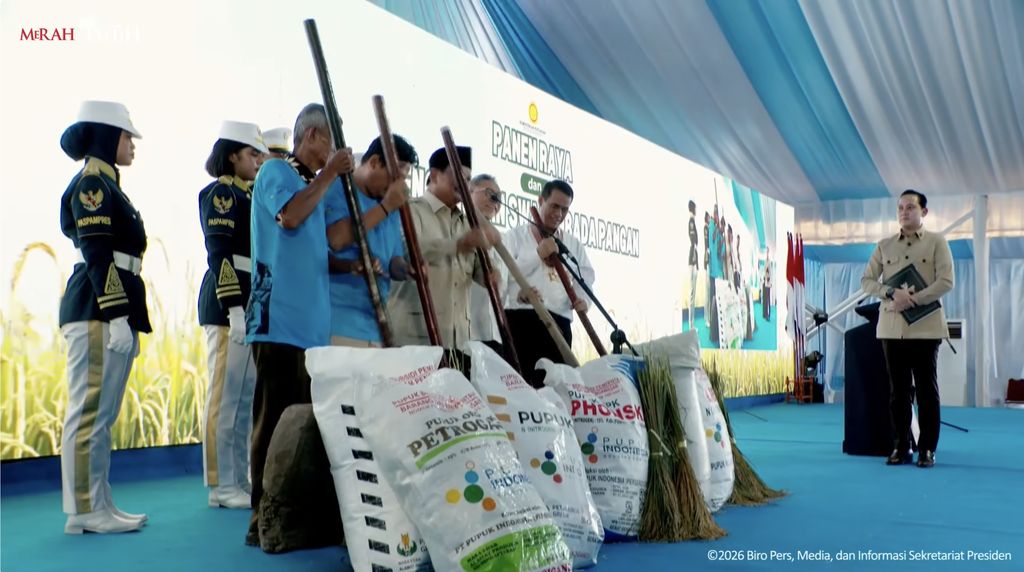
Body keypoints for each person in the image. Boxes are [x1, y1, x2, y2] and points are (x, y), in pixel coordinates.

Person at [245, 103, 354, 544]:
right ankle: (259, 515)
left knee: (302, 426)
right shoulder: (276, 172)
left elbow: (309, 248)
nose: (333, 150)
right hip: (278, 321)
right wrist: (330, 173)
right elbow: (288, 217)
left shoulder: (311, 185)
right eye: (329, 140)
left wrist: (349, 269)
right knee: (271, 421)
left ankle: (291, 510)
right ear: (311, 137)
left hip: (310, 330)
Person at [58, 101, 148, 534]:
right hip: (96, 306)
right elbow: (96, 252)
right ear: (107, 137)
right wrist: (116, 314)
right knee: (89, 410)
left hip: (108, 305)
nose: (132, 145)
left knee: (102, 415)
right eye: (127, 136)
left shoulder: (109, 185)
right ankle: (82, 509)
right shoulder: (92, 184)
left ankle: (99, 501)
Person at [197, 121, 268, 509]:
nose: (258, 161)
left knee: (243, 401)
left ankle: (238, 478)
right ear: (232, 156)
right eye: (252, 154)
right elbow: (220, 252)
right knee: (224, 399)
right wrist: (234, 307)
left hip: (249, 304)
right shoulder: (221, 195)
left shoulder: (249, 195)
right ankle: (220, 483)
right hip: (229, 306)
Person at [861, 189, 954, 469]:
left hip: (926, 328)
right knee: (898, 392)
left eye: (910, 207)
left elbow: (946, 281)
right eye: (900, 207)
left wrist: (913, 298)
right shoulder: (884, 245)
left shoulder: (937, 242)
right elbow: (867, 281)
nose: (904, 212)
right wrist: (891, 293)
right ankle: (902, 446)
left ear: (924, 212)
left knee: (927, 390)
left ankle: (927, 448)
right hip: (892, 329)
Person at [388, 146, 498, 349]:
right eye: (459, 176)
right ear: (435, 175)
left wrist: (490, 276)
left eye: (468, 179)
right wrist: (459, 244)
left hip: (457, 341)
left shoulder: (467, 222)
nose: (464, 184)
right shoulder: (410, 210)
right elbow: (406, 249)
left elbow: (476, 271)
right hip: (415, 339)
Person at [326, 135, 416, 347]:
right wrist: (385, 206)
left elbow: (392, 260)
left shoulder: (389, 203)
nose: (399, 186)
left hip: (377, 327)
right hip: (337, 325)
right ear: (374, 162)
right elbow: (336, 240)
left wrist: (406, 269)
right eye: (395, 178)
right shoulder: (336, 189)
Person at [504, 180, 594, 387]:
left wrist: (583, 300)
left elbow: (586, 276)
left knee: (558, 390)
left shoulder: (572, 244)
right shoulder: (516, 237)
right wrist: (538, 255)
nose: (559, 214)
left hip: (560, 323)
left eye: (565, 209)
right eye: (554, 206)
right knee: (524, 387)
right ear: (541, 200)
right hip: (522, 321)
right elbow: (506, 274)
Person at [468, 174, 508, 355]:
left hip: (496, 336)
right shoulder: (456, 228)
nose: (495, 201)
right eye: (489, 193)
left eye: (499, 197)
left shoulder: (503, 241)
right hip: (466, 336)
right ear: (469, 192)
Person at [687, 200, 698, 330]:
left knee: (693, 294)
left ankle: (692, 324)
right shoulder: (691, 221)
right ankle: (691, 325)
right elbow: (693, 243)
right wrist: (695, 262)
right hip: (691, 262)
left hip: (694, 262)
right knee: (691, 294)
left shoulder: (692, 221)